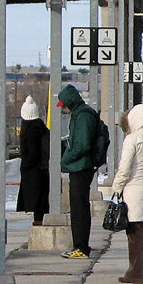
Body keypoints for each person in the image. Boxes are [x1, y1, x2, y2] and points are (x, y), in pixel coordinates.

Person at [102, 103, 143, 284]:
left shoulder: (132, 139)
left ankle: (135, 273)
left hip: (134, 190)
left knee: (135, 233)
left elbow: (124, 169)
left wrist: (116, 187)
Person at [58, 84, 99, 259]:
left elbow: (82, 145)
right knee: (77, 207)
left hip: (81, 167)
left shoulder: (83, 116)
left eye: (64, 104)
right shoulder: (80, 113)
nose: (64, 108)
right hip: (80, 166)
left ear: (70, 101)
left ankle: (81, 247)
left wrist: (66, 160)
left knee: (79, 208)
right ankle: (79, 246)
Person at [15, 95, 51, 226]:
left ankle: (39, 221)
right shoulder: (41, 127)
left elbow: (32, 153)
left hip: (33, 171)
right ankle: (40, 220)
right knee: (41, 199)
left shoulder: (30, 130)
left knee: (36, 200)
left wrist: (24, 166)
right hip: (42, 169)